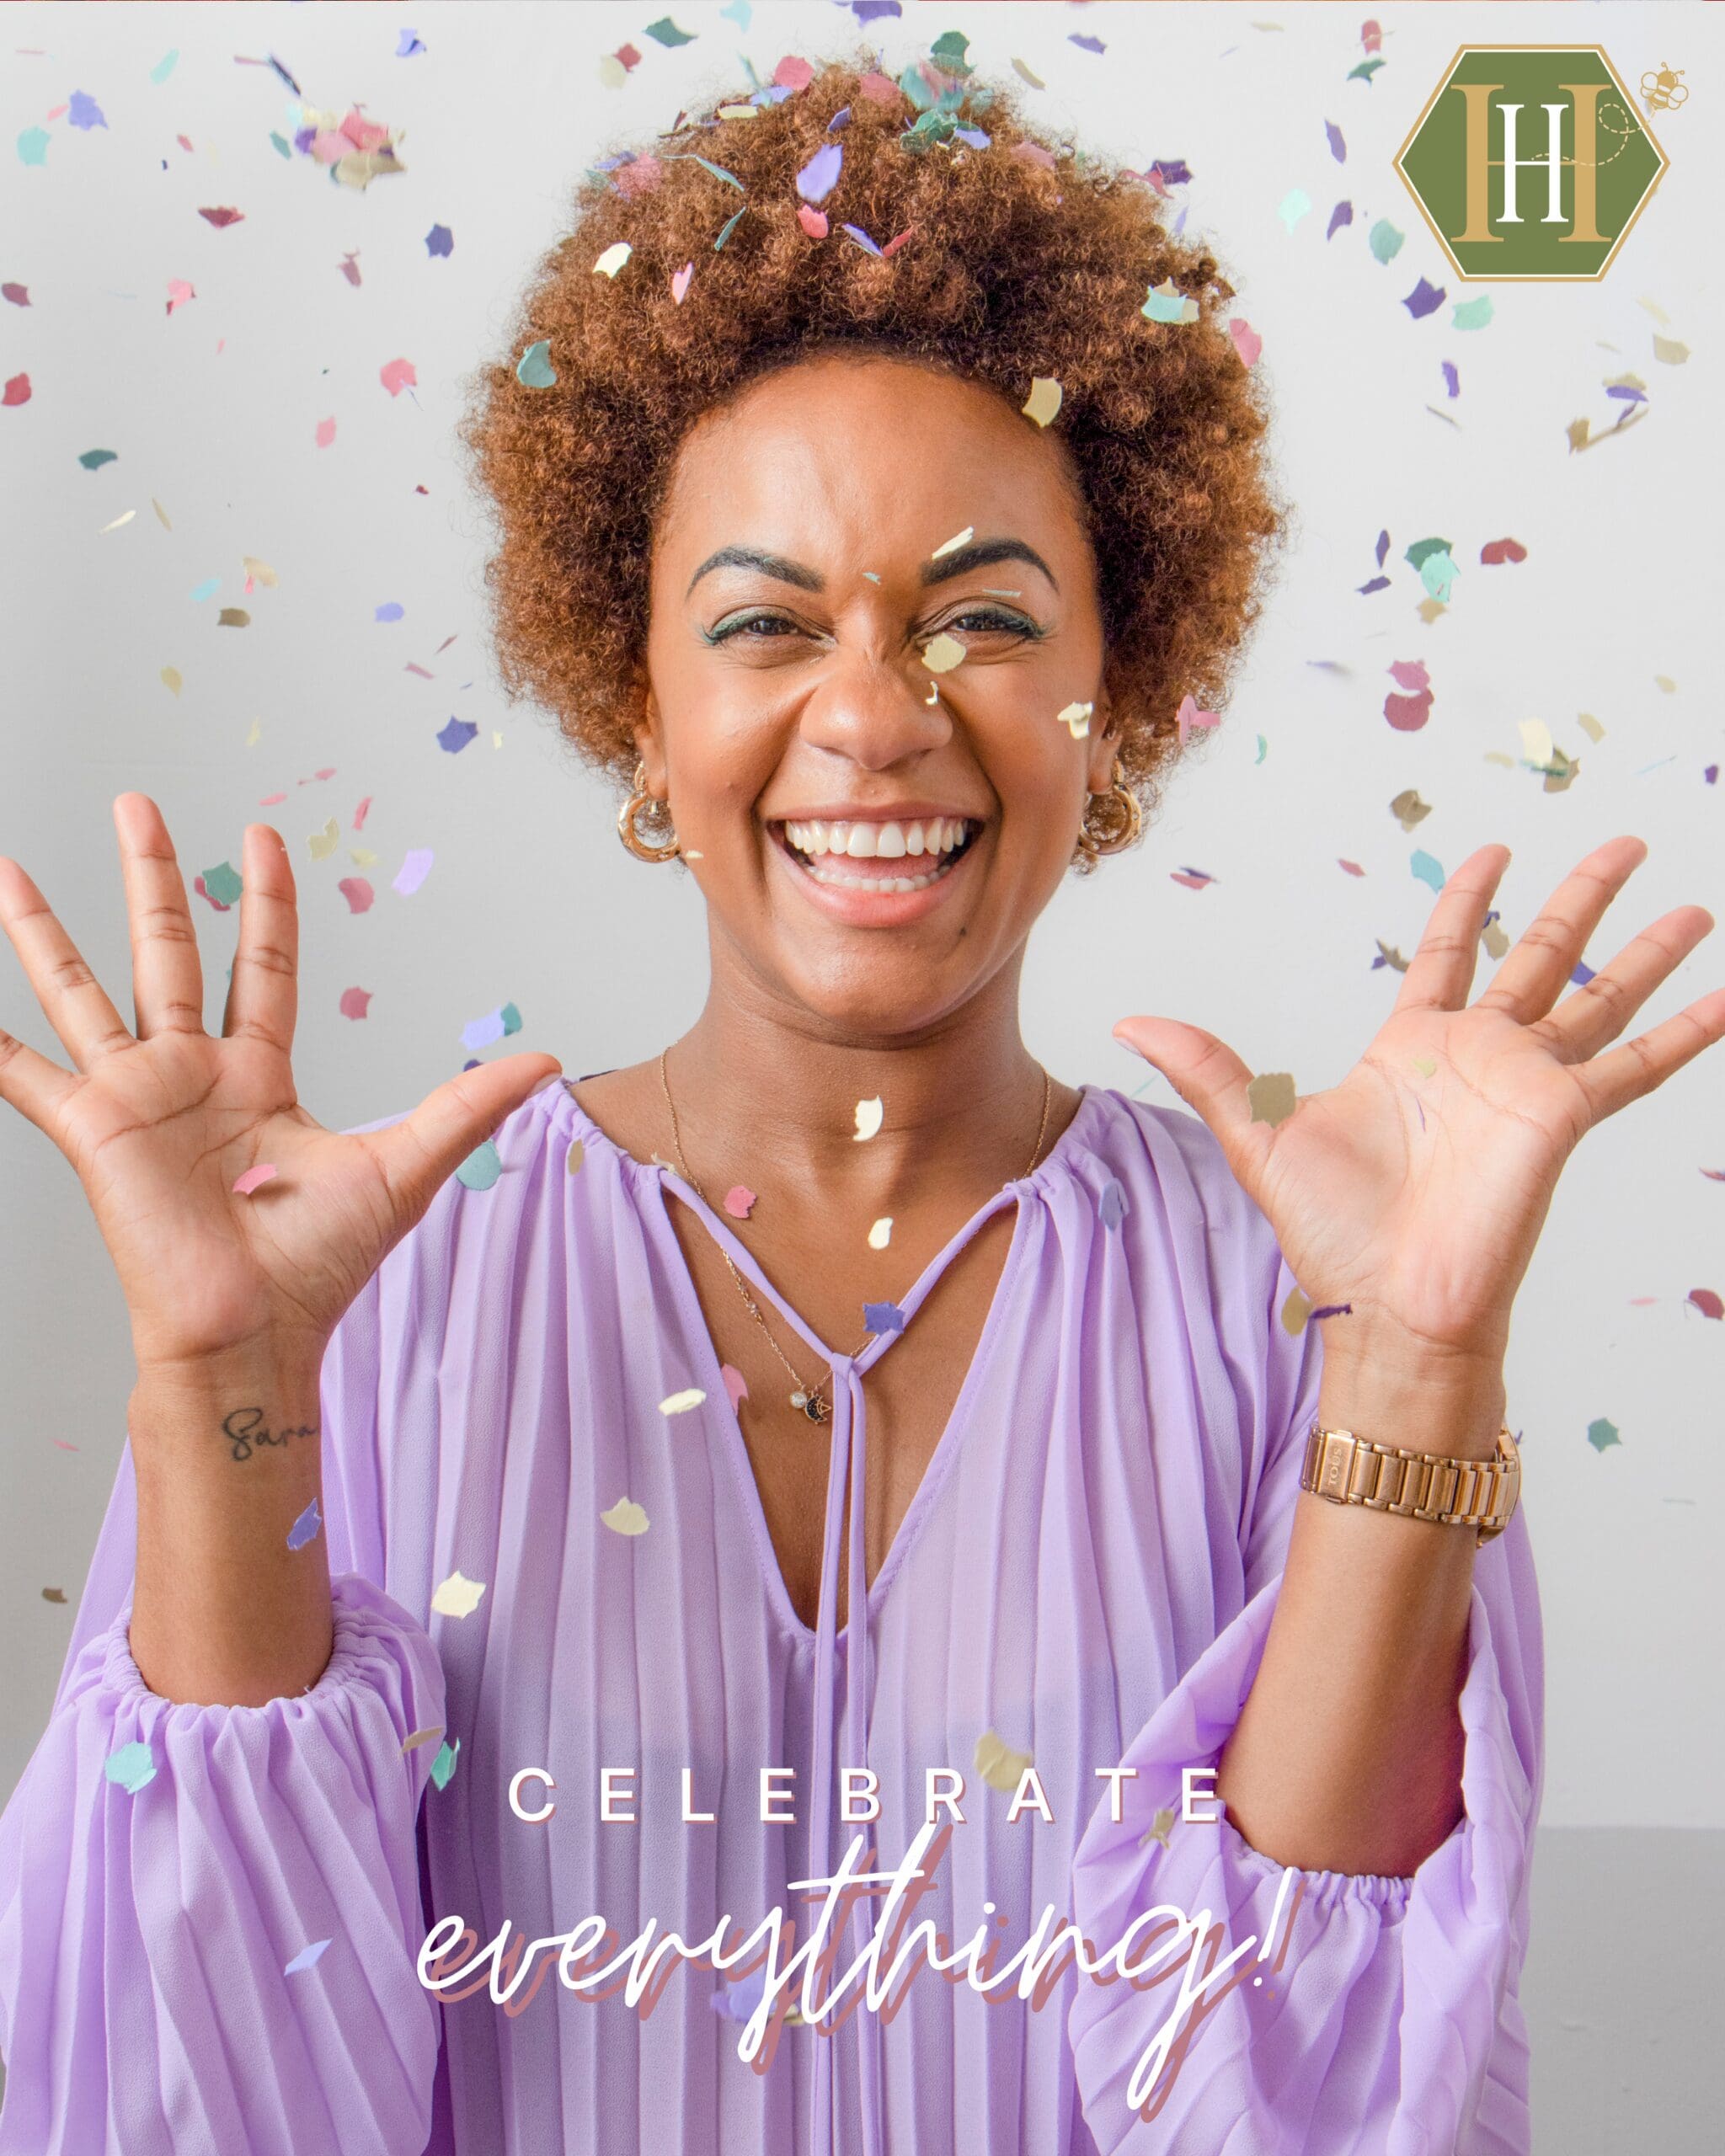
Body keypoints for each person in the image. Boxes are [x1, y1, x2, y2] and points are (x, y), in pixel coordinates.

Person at [0, 47, 1718, 2156]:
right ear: (638, 706)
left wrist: (1421, 1363)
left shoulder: (1307, 1307)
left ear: (1119, 701)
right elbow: (204, 2088)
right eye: (765, 624)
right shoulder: (366, 1291)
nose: (876, 715)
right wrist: (223, 1382)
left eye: (986, 619)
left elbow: (1316, 2094)